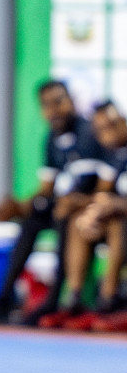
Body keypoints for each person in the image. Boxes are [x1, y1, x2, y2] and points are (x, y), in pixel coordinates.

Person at [0, 78, 100, 324]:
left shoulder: (89, 133)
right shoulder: (51, 139)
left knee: (63, 215)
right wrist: (18, 207)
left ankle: (54, 301)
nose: (54, 110)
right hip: (63, 206)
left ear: (71, 101)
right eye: (47, 105)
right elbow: (46, 189)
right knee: (32, 218)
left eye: (59, 102)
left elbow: (101, 188)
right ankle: (3, 298)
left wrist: (75, 202)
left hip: (87, 211)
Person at [38, 100, 127, 330]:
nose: (107, 133)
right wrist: (92, 210)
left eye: (112, 125)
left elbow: (116, 202)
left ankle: (108, 300)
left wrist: (115, 205)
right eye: (100, 129)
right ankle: (75, 299)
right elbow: (104, 195)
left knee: (118, 221)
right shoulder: (113, 158)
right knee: (80, 220)